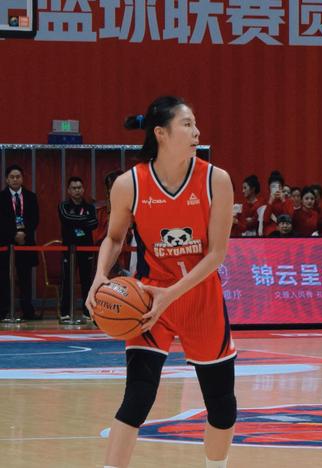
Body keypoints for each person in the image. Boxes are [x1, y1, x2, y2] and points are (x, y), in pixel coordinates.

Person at [86, 96, 236, 468]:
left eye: (195, 123)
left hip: (200, 297)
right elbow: (114, 238)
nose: (196, 131)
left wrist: (172, 294)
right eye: (187, 124)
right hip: (149, 298)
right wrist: (100, 276)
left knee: (222, 406)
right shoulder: (130, 184)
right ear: (161, 133)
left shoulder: (216, 180)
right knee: (137, 397)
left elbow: (216, 254)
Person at [0, 165, 39, 320]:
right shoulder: (1, 197)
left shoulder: (31, 197)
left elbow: (35, 219)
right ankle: (5, 310)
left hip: (26, 242)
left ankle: (27, 311)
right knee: (4, 278)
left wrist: (24, 233)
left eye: (18, 177)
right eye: (12, 177)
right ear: (6, 179)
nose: (15, 180)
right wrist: (14, 235)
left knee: (25, 278)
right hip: (6, 243)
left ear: (22, 179)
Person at [59, 176, 98, 319]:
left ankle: (87, 311)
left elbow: (94, 224)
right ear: (69, 191)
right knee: (67, 280)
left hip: (86, 248)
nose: (77, 190)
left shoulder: (90, 207)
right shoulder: (64, 206)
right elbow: (66, 218)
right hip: (69, 249)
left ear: (83, 189)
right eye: (74, 188)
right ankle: (65, 312)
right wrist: (84, 220)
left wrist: (76, 221)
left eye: (79, 188)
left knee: (87, 280)